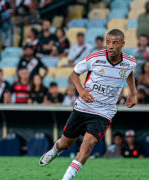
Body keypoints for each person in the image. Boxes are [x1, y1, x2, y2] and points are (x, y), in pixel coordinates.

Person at [39, 29, 137, 180]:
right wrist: (81, 91)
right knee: (65, 143)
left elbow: (129, 72)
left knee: (87, 145)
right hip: (83, 107)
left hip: (104, 111)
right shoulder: (94, 58)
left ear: (123, 44)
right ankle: (54, 150)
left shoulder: (130, 62)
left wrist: (133, 93)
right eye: (108, 42)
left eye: (115, 43)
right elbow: (74, 73)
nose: (110, 46)